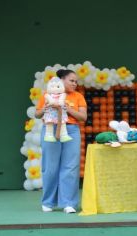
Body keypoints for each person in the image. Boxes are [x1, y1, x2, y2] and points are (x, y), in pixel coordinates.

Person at [35, 69, 87, 213]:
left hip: (71, 131)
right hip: (50, 129)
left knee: (70, 167)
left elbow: (83, 117)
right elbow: (37, 114)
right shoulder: (47, 95)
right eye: (71, 80)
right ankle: (48, 202)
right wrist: (46, 108)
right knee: (50, 167)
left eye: (76, 82)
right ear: (61, 80)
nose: (75, 84)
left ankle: (69, 203)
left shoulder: (78, 97)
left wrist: (67, 108)